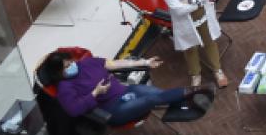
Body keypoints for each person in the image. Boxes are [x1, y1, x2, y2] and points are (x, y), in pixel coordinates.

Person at [38, 48, 207, 126]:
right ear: (58, 73)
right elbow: (74, 110)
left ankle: (189, 100)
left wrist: (145, 62)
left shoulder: (87, 64)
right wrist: (95, 93)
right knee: (151, 98)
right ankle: (194, 92)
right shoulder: (65, 88)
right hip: (113, 110)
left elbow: (115, 64)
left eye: (71, 62)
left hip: (126, 91)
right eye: (66, 67)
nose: (71, 66)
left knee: (157, 93)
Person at [157, 0, 225, 88]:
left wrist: (191, 0)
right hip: (186, 23)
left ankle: (217, 71)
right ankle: (195, 74)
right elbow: (178, 10)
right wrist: (200, 2)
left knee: (210, 42)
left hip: (204, 17)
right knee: (190, 49)